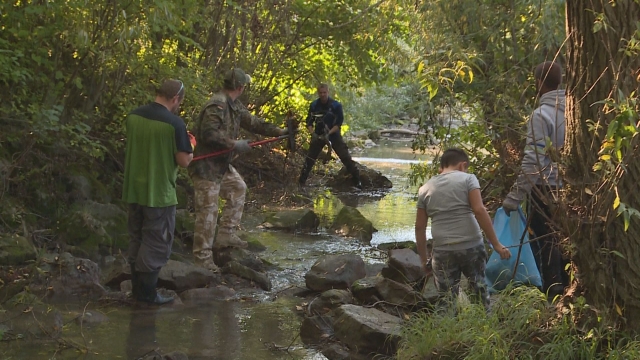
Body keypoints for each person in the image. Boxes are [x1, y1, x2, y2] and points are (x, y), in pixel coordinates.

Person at [188, 68, 288, 272]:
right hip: (205, 167)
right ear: (241, 87)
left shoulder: (234, 105)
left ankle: (226, 235)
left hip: (221, 165)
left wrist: (279, 131)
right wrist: (234, 144)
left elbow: (254, 123)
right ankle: (202, 259)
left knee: (238, 188)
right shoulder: (217, 105)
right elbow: (208, 134)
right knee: (207, 213)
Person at [122, 79, 193, 305]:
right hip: (159, 193)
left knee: (137, 238)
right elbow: (183, 161)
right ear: (175, 99)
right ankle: (147, 296)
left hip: (134, 190)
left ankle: (136, 292)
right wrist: (191, 146)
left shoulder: (133, 117)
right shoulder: (175, 124)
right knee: (156, 244)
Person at [502, 61, 568, 302]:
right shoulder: (574, 112)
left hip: (545, 192)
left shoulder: (542, 115)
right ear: (560, 82)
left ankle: (553, 298)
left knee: (545, 245)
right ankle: (569, 295)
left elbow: (533, 162)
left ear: (539, 84)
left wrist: (513, 199)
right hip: (572, 191)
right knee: (566, 245)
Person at [415, 148, 511, 309]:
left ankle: (448, 331)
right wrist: (496, 244)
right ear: (462, 165)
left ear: (442, 167)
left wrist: (424, 260)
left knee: (446, 300)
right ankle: (485, 327)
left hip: (442, 250)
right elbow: (479, 210)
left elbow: (419, 227)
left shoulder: (425, 188)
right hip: (471, 245)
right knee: (479, 289)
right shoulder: (468, 179)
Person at [298, 83, 361, 189]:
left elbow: (338, 124)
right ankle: (301, 183)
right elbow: (309, 122)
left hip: (333, 134)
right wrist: (312, 133)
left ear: (328, 92)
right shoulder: (314, 105)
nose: (322, 95)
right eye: (320, 93)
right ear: (318, 93)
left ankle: (357, 180)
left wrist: (328, 134)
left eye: (324, 93)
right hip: (318, 135)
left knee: (345, 156)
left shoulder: (336, 106)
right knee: (310, 159)